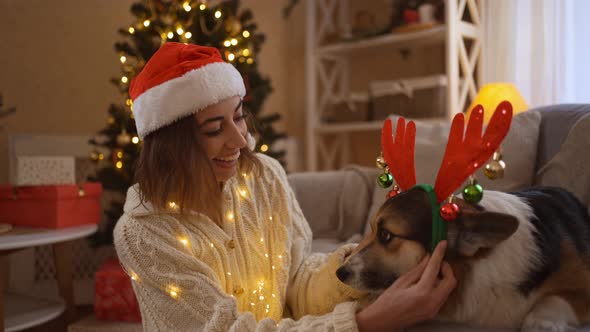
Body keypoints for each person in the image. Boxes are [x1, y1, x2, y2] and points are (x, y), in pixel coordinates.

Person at [114, 42, 456, 331]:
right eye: (214, 129)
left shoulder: (264, 177)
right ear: (173, 147)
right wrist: (364, 322)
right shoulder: (144, 234)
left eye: (238, 116)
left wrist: (357, 266)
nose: (241, 139)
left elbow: (296, 283)